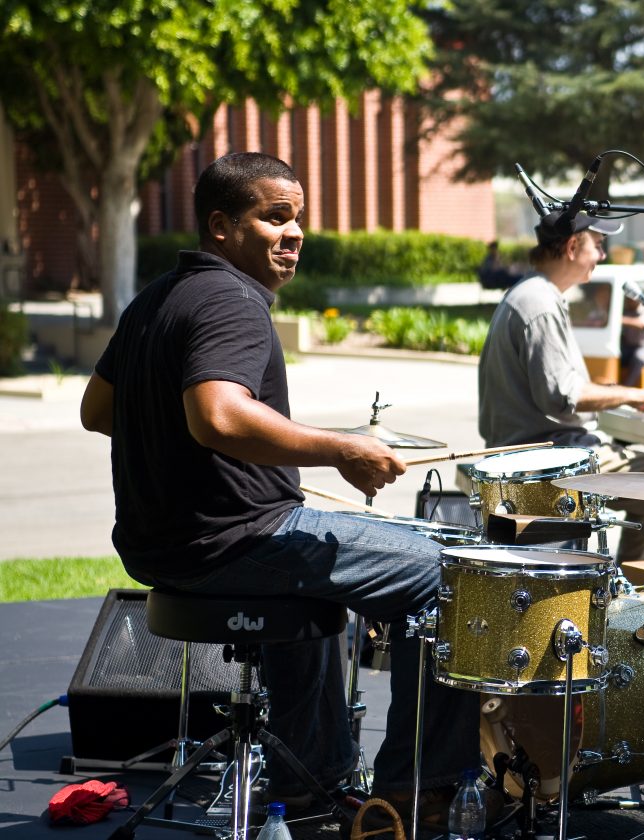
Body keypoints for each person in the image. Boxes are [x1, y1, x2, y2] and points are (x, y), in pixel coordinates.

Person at [80, 152, 494, 832]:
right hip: (234, 542)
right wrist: (342, 448)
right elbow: (218, 414)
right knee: (454, 574)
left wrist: (182, 459)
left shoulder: (157, 296)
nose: (293, 233)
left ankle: (311, 786)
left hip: (161, 550)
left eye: (296, 218)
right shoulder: (231, 300)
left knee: (314, 569)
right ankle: (421, 793)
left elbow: (100, 411)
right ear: (221, 225)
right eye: (274, 217)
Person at [478, 210, 644, 563]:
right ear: (572, 246)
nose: (602, 257)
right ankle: (640, 606)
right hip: (550, 462)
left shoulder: (533, 293)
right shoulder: (539, 302)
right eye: (599, 246)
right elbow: (563, 396)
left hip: (541, 453)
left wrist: (620, 396)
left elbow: (560, 387)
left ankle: (636, 598)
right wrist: (636, 394)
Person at [619, 291, 644, 387]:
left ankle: (627, 387)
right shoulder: (626, 311)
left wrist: (620, 319)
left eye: (631, 298)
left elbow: (641, 324)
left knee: (639, 357)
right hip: (628, 346)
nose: (629, 301)